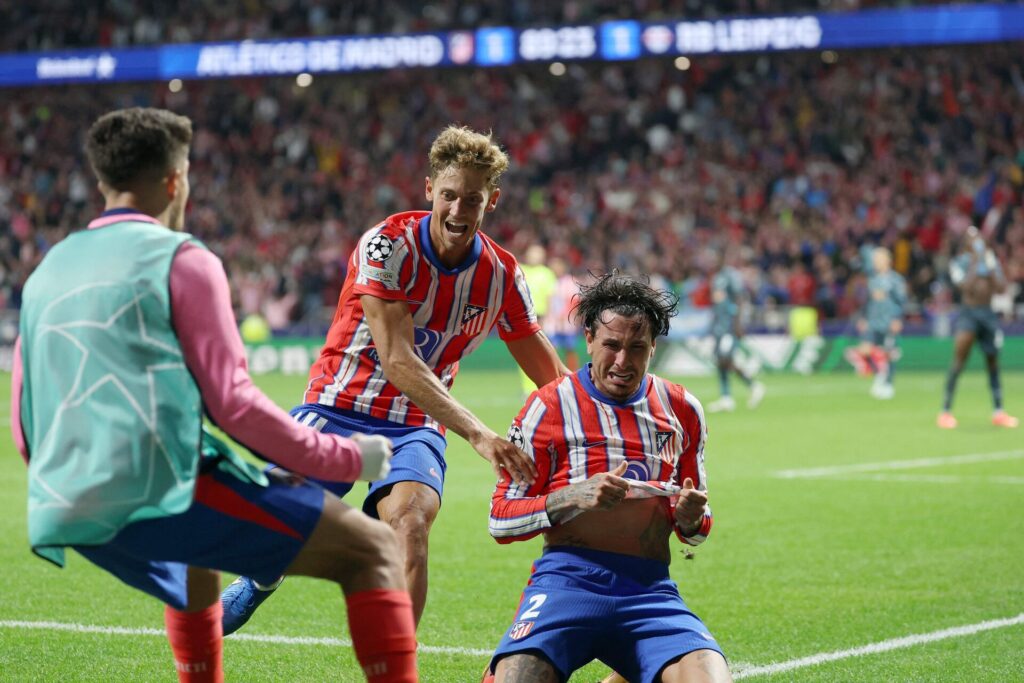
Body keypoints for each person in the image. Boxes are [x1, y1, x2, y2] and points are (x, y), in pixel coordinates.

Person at [11, 107, 418, 682]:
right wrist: (350, 456)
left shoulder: (47, 269)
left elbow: (25, 420)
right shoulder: (183, 259)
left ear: (102, 182)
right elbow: (235, 406)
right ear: (176, 180)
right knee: (372, 549)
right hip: (151, 491)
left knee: (196, 562)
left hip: (62, 503)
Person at [221, 125, 569, 632]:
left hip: (415, 424)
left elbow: (550, 377)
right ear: (430, 190)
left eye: (471, 199)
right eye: (448, 195)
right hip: (336, 407)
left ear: (491, 201)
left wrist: (601, 422)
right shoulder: (388, 246)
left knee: (411, 524)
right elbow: (399, 361)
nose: (457, 210)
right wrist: (479, 433)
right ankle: (262, 575)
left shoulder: (502, 276)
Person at [485, 272, 732, 683]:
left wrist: (690, 518)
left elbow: (696, 532)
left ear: (653, 347)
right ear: (588, 340)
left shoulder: (682, 409)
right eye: (612, 346)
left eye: (637, 348)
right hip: (566, 582)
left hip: (650, 591)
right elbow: (500, 519)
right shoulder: (547, 407)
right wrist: (572, 497)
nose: (622, 362)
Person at [938, 226, 1018, 429]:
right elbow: (965, 287)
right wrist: (975, 262)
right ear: (966, 244)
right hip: (969, 314)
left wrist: (989, 265)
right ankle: (945, 411)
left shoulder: (990, 262)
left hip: (988, 315)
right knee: (959, 361)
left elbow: (1001, 288)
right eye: (971, 240)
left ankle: (998, 411)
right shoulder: (960, 263)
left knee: (993, 362)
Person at [704, 251, 765, 413]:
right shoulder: (716, 278)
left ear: (722, 258)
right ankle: (726, 398)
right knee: (719, 360)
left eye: (714, 257)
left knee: (725, 358)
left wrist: (738, 324)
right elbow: (718, 303)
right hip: (719, 326)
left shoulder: (731, 275)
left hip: (730, 326)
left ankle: (753, 385)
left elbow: (739, 299)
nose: (712, 261)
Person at [847, 247, 907, 400]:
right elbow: (867, 302)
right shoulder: (872, 280)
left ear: (887, 260)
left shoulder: (896, 280)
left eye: (878, 258)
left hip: (889, 322)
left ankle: (888, 384)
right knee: (865, 350)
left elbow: (901, 301)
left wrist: (898, 319)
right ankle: (879, 376)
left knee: (888, 353)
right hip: (873, 322)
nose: (875, 262)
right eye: (874, 259)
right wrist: (863, 318)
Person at [518, 244, 559, 397]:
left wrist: (550, 318)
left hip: (541, 317)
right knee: (523, 352)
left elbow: (551, 297)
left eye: (537, 254)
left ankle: (546, 384)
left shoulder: (547, 273)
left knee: (543, 353)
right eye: (532, 253)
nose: (534, 256)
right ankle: (527, 387)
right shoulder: (520, 269)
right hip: (523, 316)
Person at [542, 256, 582, 371]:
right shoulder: (549, 281)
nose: (555, 268)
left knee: (570, 349)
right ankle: (555, 373)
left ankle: (573, 374)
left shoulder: (571, 282)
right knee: (551, 349)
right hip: (553, 324)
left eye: (557, 265)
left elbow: (576, 302)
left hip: (567, 324)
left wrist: (569, 316)